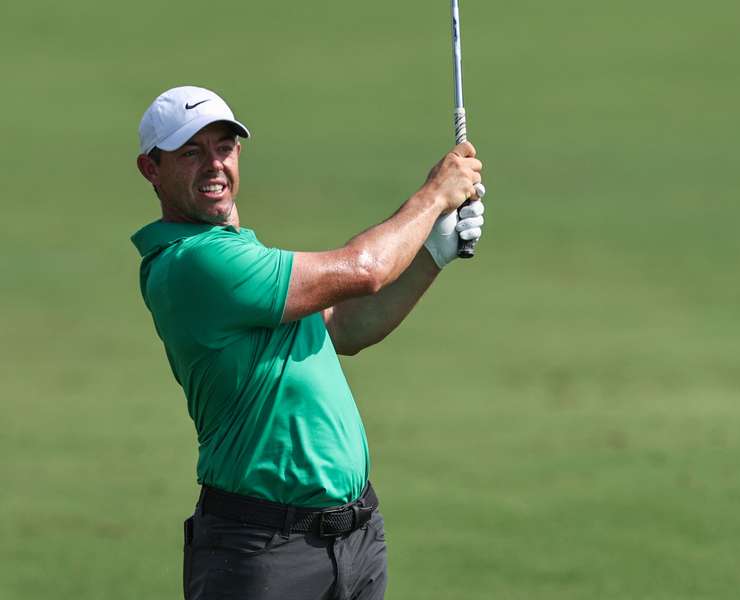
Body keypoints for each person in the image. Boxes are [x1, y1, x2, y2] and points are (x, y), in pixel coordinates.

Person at [131, 85, 486, 600]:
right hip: (263, 550)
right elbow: (365, 269)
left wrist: (433, 252)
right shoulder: (193, 264)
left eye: (224, 148)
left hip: (355, 538)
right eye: (191, 152)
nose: (214, 165)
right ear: (151, 169)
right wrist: (434, 196)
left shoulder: (241, 254)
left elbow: (345, 326)